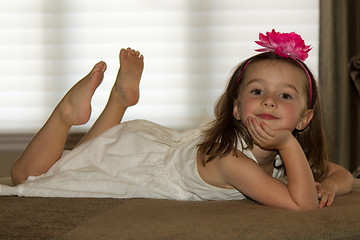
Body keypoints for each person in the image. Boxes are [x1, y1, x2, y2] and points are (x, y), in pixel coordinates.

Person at [10, 30, 353, 210]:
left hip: (151, 143)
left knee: (83, 156)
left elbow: (341, 174)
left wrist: (331, 186)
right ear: (236, 109)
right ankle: (65, 114)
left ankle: (118, 101)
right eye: (257, 91)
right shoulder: (232, 161)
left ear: (305, 118)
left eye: (286, 96)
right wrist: (287, 143)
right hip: (143, 163)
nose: (269, 101)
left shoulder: (280, 156)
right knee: (29, 176)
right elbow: (302, 206)